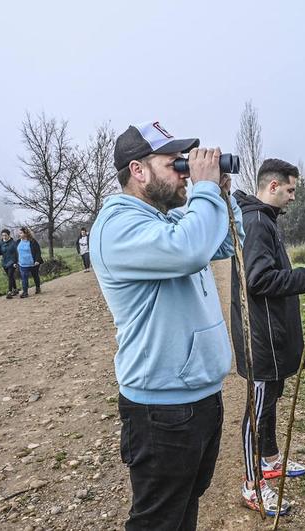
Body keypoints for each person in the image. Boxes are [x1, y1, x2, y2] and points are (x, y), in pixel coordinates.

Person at [89, 121, 243, 530]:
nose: (184, 171)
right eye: (175, 162)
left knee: (184, 507)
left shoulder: (163, 219)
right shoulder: (119, 226)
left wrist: (221, 196)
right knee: (157, 521)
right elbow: (191, 251)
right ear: (138, 170)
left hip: (199, 396)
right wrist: (205, 191)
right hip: (162, 407)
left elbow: (225, 244)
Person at [230, 158, 305, 516]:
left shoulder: (264, 219)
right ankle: (252, 485)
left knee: (270, 401)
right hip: (261, 342)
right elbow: (258, 280)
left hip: (272, 336)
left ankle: (270, 459)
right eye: (289, 190)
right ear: (272, 186)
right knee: (256, 412)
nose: (292, 197)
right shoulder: (256, 222)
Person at [16, 226, 43, 298]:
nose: (19, 234)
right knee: (24, 278)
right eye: (19, 233)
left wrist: (37, 260)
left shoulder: (32, 241)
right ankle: (25, 292)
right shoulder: (18, 242)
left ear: (26, 233)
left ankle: (38, 288)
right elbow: (14, 252)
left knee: (35, 276)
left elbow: (38, 251)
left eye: (21, 233)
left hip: (33, 263)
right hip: (22, 264)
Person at [0, 229, 19, 298]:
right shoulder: (1, 243)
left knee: (10, 275)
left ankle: (9, 292)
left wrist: (15, 262)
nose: (4, 237)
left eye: (5, 235)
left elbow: (16, 253)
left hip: (12, 262)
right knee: (10, 276)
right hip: (5, 262)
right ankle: (15, 289)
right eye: (3, 235)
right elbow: (0, 252)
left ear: (9, 235)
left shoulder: (13, 243)